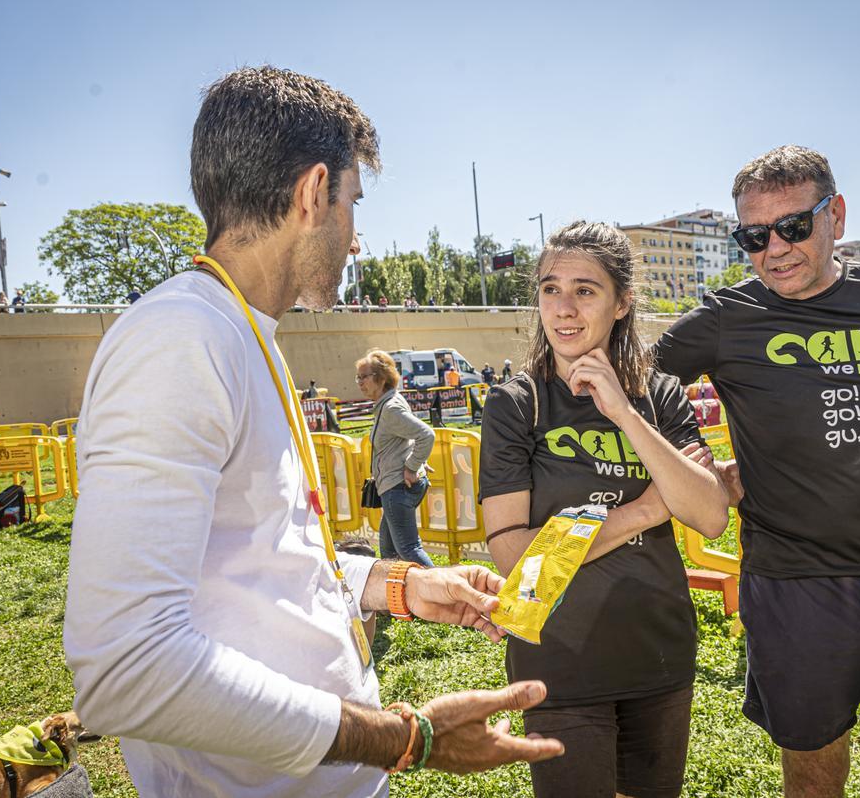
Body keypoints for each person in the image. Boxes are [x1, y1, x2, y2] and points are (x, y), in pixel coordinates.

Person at [63, 67, 562, 798]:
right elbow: (124, 666)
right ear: (311, 192)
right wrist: (402, 736)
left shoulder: (241, 332)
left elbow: (267, 556)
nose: (355, 238)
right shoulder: (182, 338)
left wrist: (403, 585)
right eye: (352, 204)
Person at [653, 145, 860, 798]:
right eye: (754, 235)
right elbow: (637, 389)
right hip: (793, 586)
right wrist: (693, 464)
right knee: (812, 781)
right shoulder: (726, 317)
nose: (774, 248)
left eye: (792, 226)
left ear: (835, 214)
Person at [478, 221, 729, 798]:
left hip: (659, 656)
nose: (563, 308)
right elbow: (517, 554)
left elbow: (710, 515)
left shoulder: (660, 396)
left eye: (585, 290)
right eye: (549, 288)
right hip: (560, 662)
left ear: (622, 302)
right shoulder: (518, 404)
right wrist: (643, 512)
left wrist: (624, 413)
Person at [357, 350, 435, 567]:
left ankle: (445, 592)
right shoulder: (389, 403)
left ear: (381, 379)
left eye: (364, 377)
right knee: (390, 554)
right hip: (393, 488)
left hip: (397, 487)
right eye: (358, 377)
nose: (359, 382)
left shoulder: (390, 409)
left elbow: (426, 435)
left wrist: (412, 466)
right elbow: (405, 439)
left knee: (408, 550)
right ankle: (394, 598)